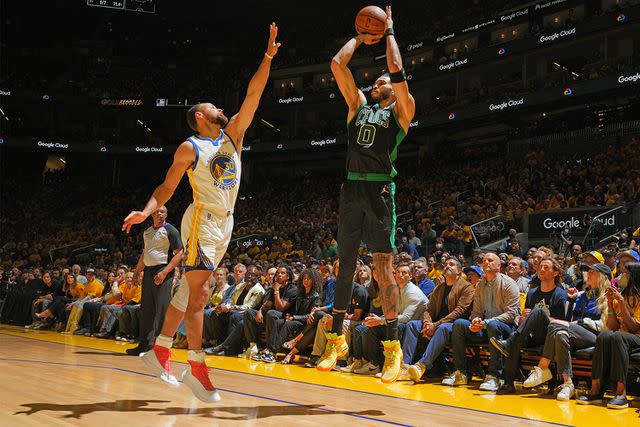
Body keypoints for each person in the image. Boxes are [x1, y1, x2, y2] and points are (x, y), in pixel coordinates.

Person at [121, 23, 281, 403]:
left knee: (186, 293)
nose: (222, 110)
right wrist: (145, 212)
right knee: (202, 292)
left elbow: (254, 93)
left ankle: (159, 349)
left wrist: (268, 57)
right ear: (200, 118)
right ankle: (196, 367)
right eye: (214, 108)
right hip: (202, 221)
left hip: (225, 224)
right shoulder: (190, 147)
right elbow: (166, 188)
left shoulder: (233, 136)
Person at [318, 6, 416, 385]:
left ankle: (393, 350)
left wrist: (389, 30)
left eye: (381, 83)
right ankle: (335, 340)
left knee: (382, 270)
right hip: (351, 187)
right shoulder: (358, 106)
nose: (376, 85)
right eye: (374, 83)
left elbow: (397, 71)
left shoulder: (403, 110)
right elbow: (337, 66)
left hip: (379, 190)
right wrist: (360, 37)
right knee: (343, 266)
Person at [520, 263, 609, 401]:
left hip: (594, 336)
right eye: (588, 271)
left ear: (602, 277)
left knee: (555, 324)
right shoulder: (583, 295)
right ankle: (568, 384)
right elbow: (571, 312)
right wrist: (571, 300)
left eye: (592, 272)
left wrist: (580, 323)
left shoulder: (608, 296)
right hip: (573, 333)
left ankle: (543, 367)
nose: (588, 273)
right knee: (560, 334)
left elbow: (605, 326)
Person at [443, 252, 520, 391]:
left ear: (498, 265)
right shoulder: (480, 285)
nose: (486, 262)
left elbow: (511, 314)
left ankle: (494, 376)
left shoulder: (509, 283)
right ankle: (460, 372)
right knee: (460, 324)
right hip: (485, 326)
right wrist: (475, 321)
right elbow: (476, 312)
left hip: (507, 329)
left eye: (490, 260)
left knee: (492, 324)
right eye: (484, 260)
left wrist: (485, 322)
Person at [577, 262, 640, 409]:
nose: (621, 276)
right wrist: (611, 304)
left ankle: (621, 393)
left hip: (636, 337)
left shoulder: (633, 299)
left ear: (634, 276)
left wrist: (622, 303)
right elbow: (612, 326)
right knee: (604, 336)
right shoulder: (620, 296)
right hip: (623, 338)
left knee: (618, 337)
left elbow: (633, 327)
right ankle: (596, 389)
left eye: (625, 273)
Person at [404, 257, 474, 382]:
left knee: (442, 328)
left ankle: (422, 365)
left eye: (451, 264)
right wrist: (427, 323)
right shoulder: (439, 287)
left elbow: (459, 312)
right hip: (435, 324)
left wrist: (435, 325)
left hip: (454, 325)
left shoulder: (467, 287)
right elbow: (428, 309)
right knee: (412, 325)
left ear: (459, 270)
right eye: (445, 264)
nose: (447, 266)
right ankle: (404, 366)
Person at [126, 206, 183, 355]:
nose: (159, 214)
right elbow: (145, 253)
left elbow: (179, 254)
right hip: (149, 271)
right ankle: (144, 345)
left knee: (161, 309)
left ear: (166, 214)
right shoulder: (147, 231)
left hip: (163, 271)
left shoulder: (171, 230)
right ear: (151, 214)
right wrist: (137, 271)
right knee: (146, 309)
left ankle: (160, 348)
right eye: (157, 211)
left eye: (162, 211)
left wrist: (165, 272)